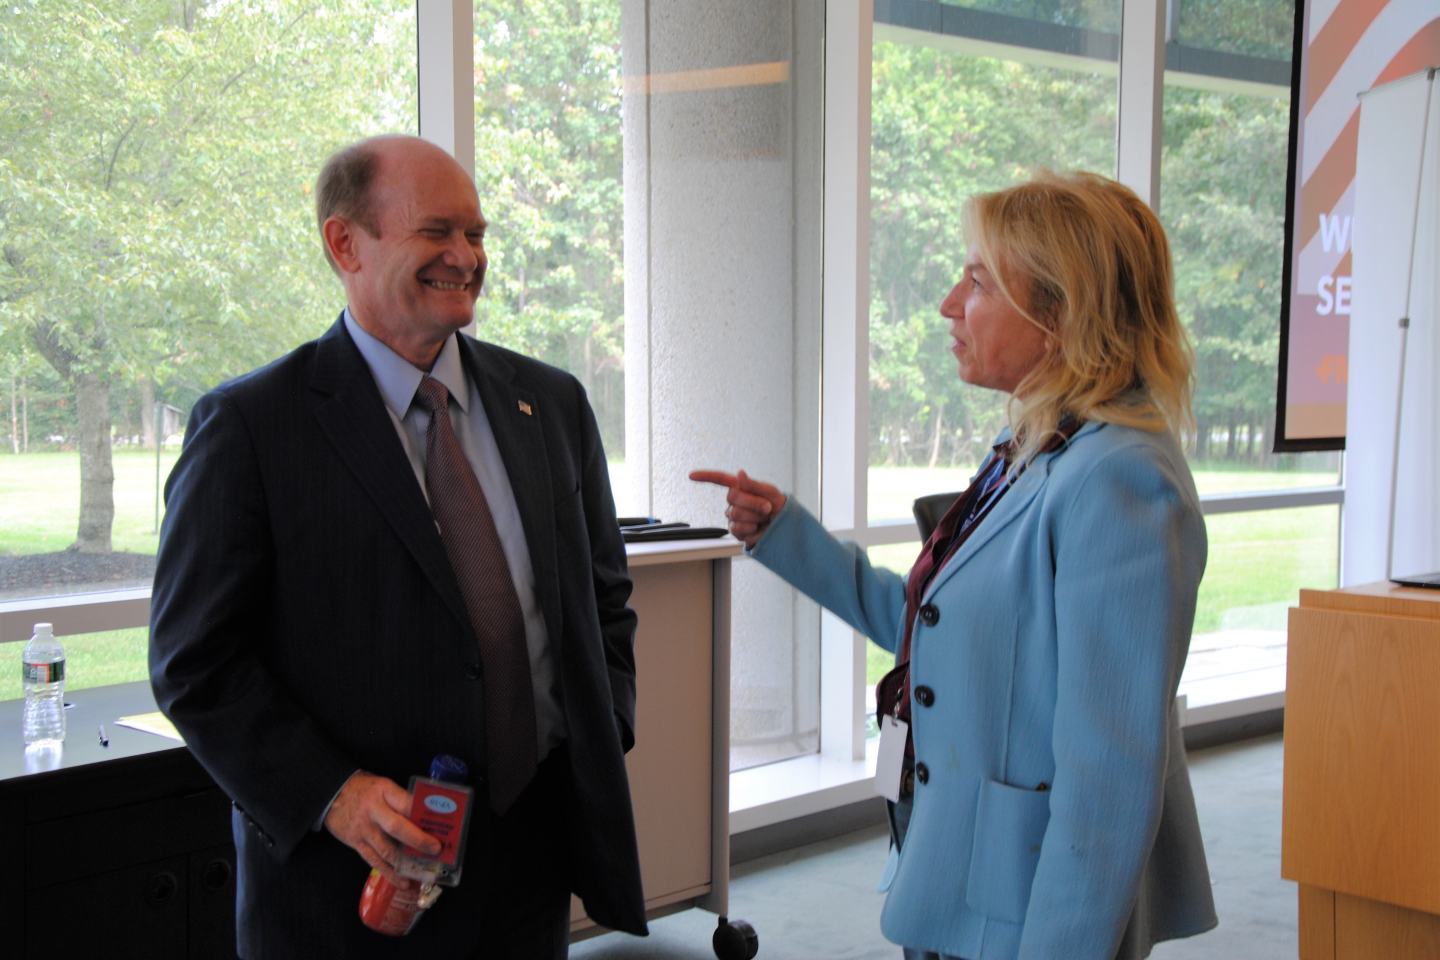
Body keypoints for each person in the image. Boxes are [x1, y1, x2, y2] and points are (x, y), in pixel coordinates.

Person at [693, 171, 1217, 959]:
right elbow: (930, 622)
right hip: (963, 877)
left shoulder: (1118, 478)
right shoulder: (1033, 448)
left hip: (1028, 911)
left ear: (1060, 309)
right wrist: (785, 534)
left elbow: (1109, 779)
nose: (948, 303)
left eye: (977, 281)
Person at [149, 134, 646, 958]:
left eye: (478, 235)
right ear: (345, 243)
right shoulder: (252, 428)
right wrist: (333, 795)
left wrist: (600, 727)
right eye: (438, 232)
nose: (466, 256)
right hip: (350, 886)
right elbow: (195, 662)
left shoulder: (551, 405)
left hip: (528, 861)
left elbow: (602, 600)